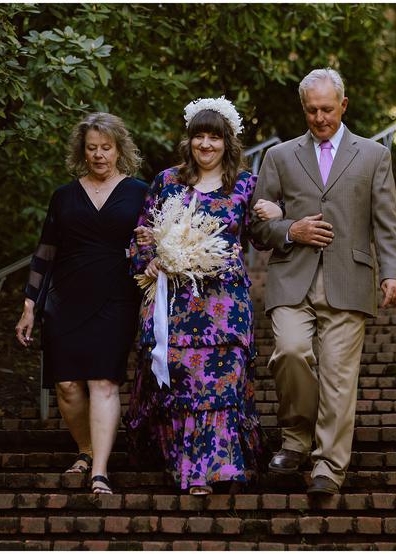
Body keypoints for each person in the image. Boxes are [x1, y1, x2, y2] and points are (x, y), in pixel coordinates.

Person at [249, 68, 396, 495]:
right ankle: (297, 440)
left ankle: (328, 468)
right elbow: (257, 227)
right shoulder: (279, 156)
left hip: (349, 277)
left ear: (344, 105)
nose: (320, 118)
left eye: (327, 109)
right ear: (304, 109)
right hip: (291, 277)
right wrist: (289, 230)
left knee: (339, 375)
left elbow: (385, 223)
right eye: (312, 110)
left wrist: (392, 273)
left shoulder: (374, 155)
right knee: (291, 353)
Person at [125, 97, 280, 496]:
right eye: (199, 136)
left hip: (224, 304)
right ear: (189, 141)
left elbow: (261, 239)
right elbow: (141, 234)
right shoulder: (167, 181)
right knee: (183, 385)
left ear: (228, 142)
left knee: (221, 385)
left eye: (215, 137)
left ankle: (217, 468)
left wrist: (277, 215)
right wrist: (150, 260)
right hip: (174, 303)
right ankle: (191, 471)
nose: (206, 144)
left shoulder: (245, 184)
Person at [15, 112, 148, 495]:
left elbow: (153, 242)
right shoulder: (63, 196)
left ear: (120, 149)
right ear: (82, 151)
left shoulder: (140, 192)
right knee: (67, 385)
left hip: (117, 296)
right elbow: (45, 253)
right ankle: (85, 450)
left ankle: (100, 472)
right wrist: (29, 305)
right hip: (65, 297)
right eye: (92, 148)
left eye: (106, 148)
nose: (99, 155)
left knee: (104, 381)